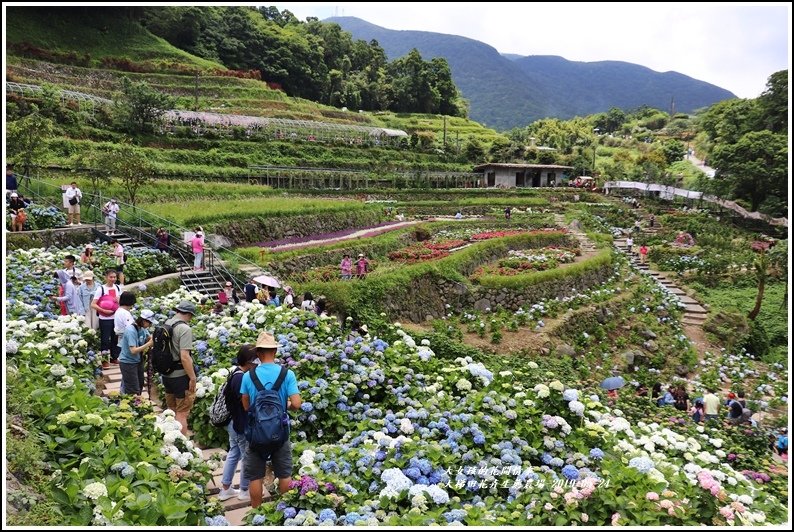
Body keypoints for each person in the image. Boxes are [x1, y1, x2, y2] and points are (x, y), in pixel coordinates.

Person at [240, 332, 302, 508]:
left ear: (258, 353)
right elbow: (296, 404)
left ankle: (256, 513)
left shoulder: (248, 376)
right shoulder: (287, 374)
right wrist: (284, 406)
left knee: (255, 476)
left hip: (255, 433)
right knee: (284, 473)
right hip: (280, 432)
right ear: (275, 351)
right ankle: (283, 510)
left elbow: (246, 406)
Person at [217, 345, 258, 503]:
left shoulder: (235, 372)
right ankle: (244, 490)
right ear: (249, 361)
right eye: (255, 359)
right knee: (247, 457)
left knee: (234, 453)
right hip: (240, 423)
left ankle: (225, 489)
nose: (257, 362)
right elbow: (246, 403)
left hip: (232, 422)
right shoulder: (241, 378)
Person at [163, 301, 198, 436]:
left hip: (166, 374)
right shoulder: (184, 329)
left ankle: (169, 439)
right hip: (180, 376)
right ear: (189, 314)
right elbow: (185, 357)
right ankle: (181, 443)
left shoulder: (167, 323)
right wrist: (192, 377)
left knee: (171, 410)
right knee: (182, 413)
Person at [119, 310, 155, 397]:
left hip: (138, 361)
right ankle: (132, 406)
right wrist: (148, 344)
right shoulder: (131, 330)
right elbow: (133, 350)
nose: (150, 326)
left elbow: (149, 338)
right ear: (143, 321)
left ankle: (137, 404)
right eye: (149, 323)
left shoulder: (142, 329)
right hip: (128, 362)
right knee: (132, 389)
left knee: (140, 384)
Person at [92, 270, 122, 366]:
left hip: (116, 317)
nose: (113, 279)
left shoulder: (117, 288)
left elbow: (121, 303)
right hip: (105, 319)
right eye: (111, 277)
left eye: (114, 277)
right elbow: (93, 304)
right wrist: (103, 310)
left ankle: (114, 357)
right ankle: (105, 360)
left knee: (115, 338)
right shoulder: (101, 289)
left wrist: (119, 301)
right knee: (105, 339)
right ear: (106, 277)